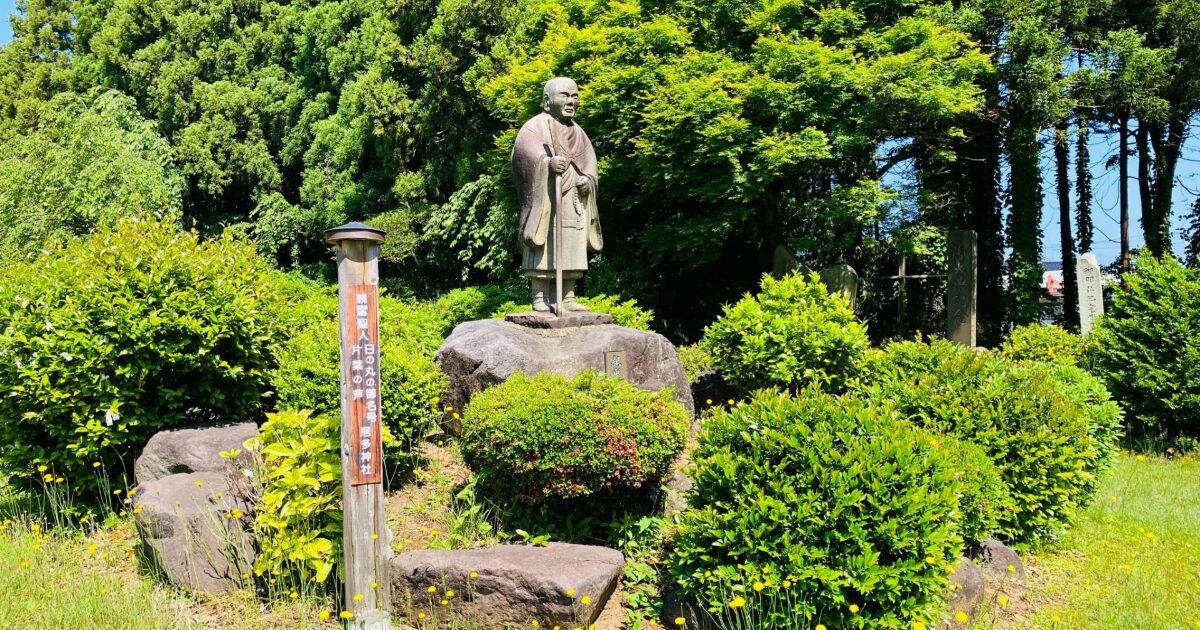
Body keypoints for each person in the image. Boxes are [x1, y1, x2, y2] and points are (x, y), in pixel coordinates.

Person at [511, 76, 603, 313]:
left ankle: (568, 296)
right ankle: (539, 296)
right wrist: (546, 163)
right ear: (546, 100)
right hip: (547, 202)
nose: (571, 101)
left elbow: (591, 165)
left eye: (575, 96)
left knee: (572, 241)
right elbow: (523, 157)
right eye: (565, 95)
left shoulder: (579, 133)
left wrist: (587, 181)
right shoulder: (534, 127)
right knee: (544, 242)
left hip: (572, 200)